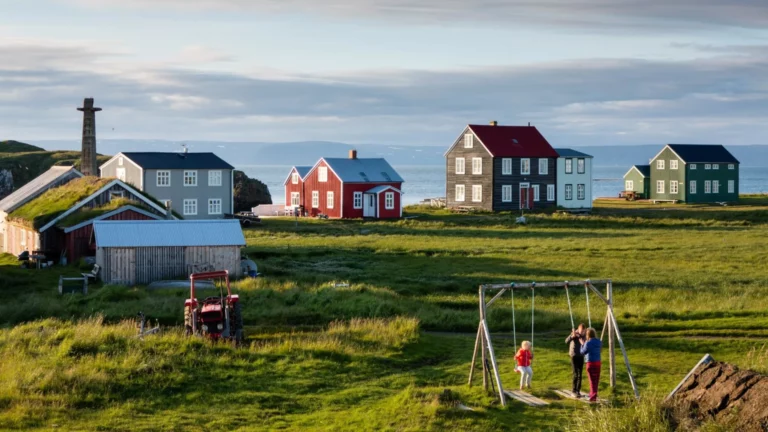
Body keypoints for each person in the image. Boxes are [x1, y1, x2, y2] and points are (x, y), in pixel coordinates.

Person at [580, 327, 602, 402]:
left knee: (592, 380)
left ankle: (593, 396)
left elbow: (582, 352)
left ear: (587, 335)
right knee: (596, 379)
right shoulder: (599, 342)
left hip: (590, 363)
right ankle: (592, 393)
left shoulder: (588, 343)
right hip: (598, 362)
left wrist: (582, 344)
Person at [565, 323, 586, 397]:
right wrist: (572, 336)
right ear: (578, 329)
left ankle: (578, 391)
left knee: (580, 374)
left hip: (581, 355)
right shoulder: (574, 333)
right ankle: (573, 390)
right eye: (580, 331)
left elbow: (585, 343)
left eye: (583, 331)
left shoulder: (585, 335)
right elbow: (566, 341)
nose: (581, 333)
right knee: (575, 373)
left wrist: (582, 339)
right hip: (574, 355)